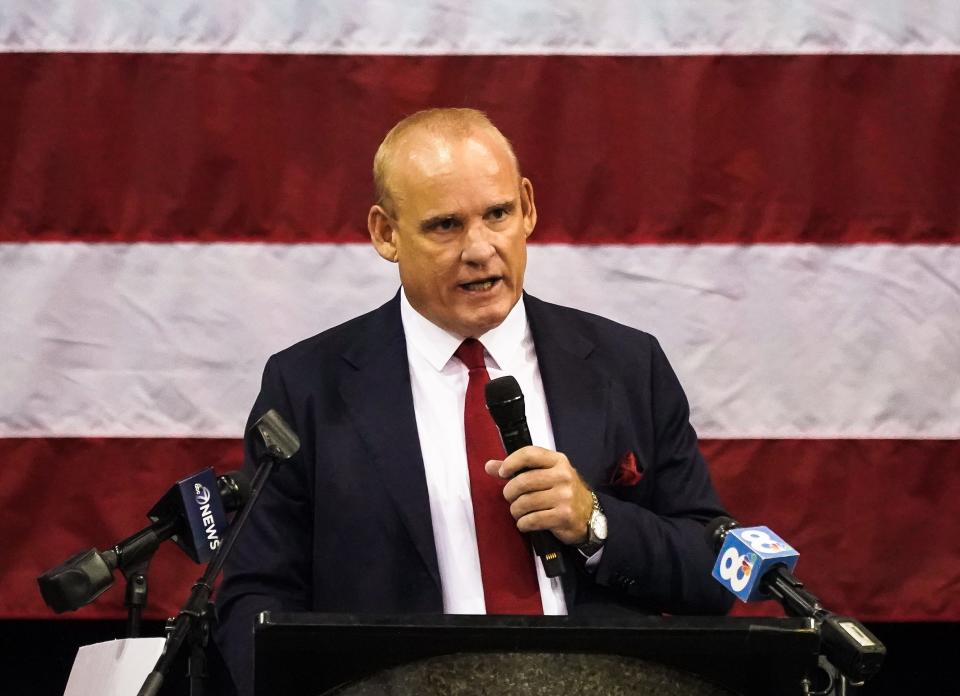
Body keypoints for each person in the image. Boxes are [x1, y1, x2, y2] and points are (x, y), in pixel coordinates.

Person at [214, 108, 733, 690]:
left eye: (498, 214)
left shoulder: (627, 366)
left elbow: (714, 573)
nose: (480, 248)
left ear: (528, 207)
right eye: (445, 226)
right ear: (386, 233)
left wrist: (596, 523)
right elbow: (255, 601)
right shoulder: (307, 386)